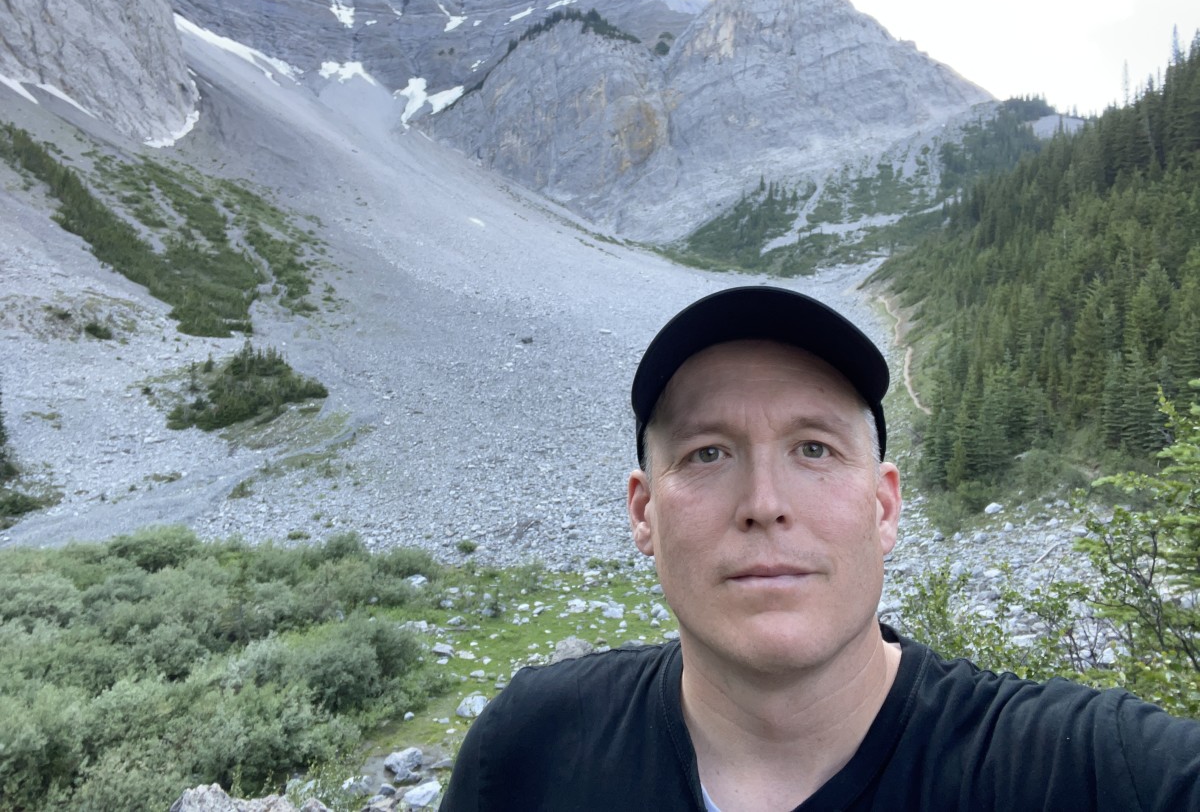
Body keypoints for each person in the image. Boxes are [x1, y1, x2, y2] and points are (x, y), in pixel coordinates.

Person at [441, 285, 1200, 811]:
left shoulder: (1086, 771)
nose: (764, 505)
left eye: (813, 448)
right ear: (644, 513)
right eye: (708, 453)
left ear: (884, 505)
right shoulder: (526, 748)